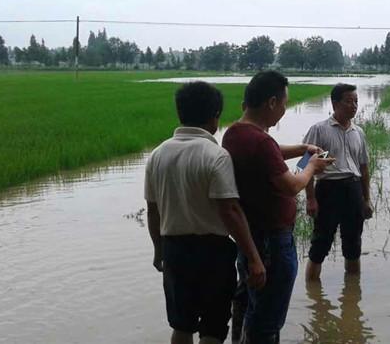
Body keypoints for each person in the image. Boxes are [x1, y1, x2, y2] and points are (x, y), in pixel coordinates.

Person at [145, 81, 266, 344]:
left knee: (181, 324)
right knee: (212, 328)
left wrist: (158, 251)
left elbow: (153, 212)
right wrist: (254, 257)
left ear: (180, 114)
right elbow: (231, 210)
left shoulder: (157, 155)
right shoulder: (216, 156)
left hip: (174, 249)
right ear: (215, 117)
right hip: (212, 252)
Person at [222, 70, 334, 344]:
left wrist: (302, 148)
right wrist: (312, 166)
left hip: (251, 238)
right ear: (271, 103)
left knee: (249, 306)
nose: (284, 110)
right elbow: (291, 186)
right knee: (267, 321)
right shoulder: (260, 141)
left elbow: (270, 153)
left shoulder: (235, 133)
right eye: (284, 104)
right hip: (272, 242)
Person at [303, 83, 372, 282]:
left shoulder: (358, 132)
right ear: (335, 104)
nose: (354, 106)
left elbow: (364, 168)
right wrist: (310, 199)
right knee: (320, 244)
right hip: (328, 190)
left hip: (353, 189)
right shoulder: (320, 130)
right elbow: (306, 166)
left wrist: (366, 199)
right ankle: (313, 296)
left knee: (353, 245)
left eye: (356, 101)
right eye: (348, 101)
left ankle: (352, 296)